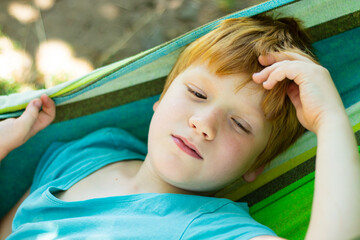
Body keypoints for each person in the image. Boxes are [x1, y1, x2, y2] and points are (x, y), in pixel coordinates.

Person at [0, 16, 359, 240]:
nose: (203, 123)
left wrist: (329, 121)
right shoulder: (84, 152)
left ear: (257, 164)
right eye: (197, 93)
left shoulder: (210, 230)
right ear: (160, 96)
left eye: (239, 124)